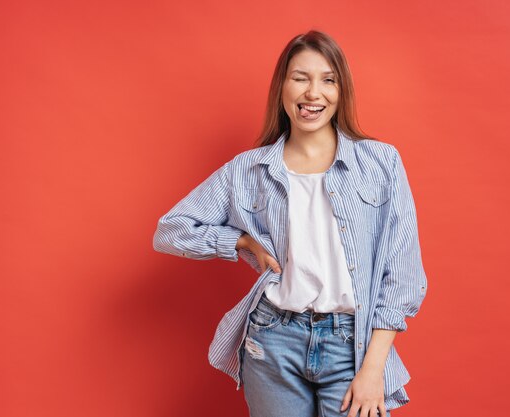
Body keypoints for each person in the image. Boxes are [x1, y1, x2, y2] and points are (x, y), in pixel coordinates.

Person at [153, 29, 428, 417]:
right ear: (282, 87)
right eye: (300, 78)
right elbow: (170, 230)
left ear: (341, 91)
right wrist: (240, 242)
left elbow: (403, 276)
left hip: (352, 343)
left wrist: (373, 368)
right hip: (272, 340)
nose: (313, 93)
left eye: (327, 80)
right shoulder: (248, 171)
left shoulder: (380, 163)